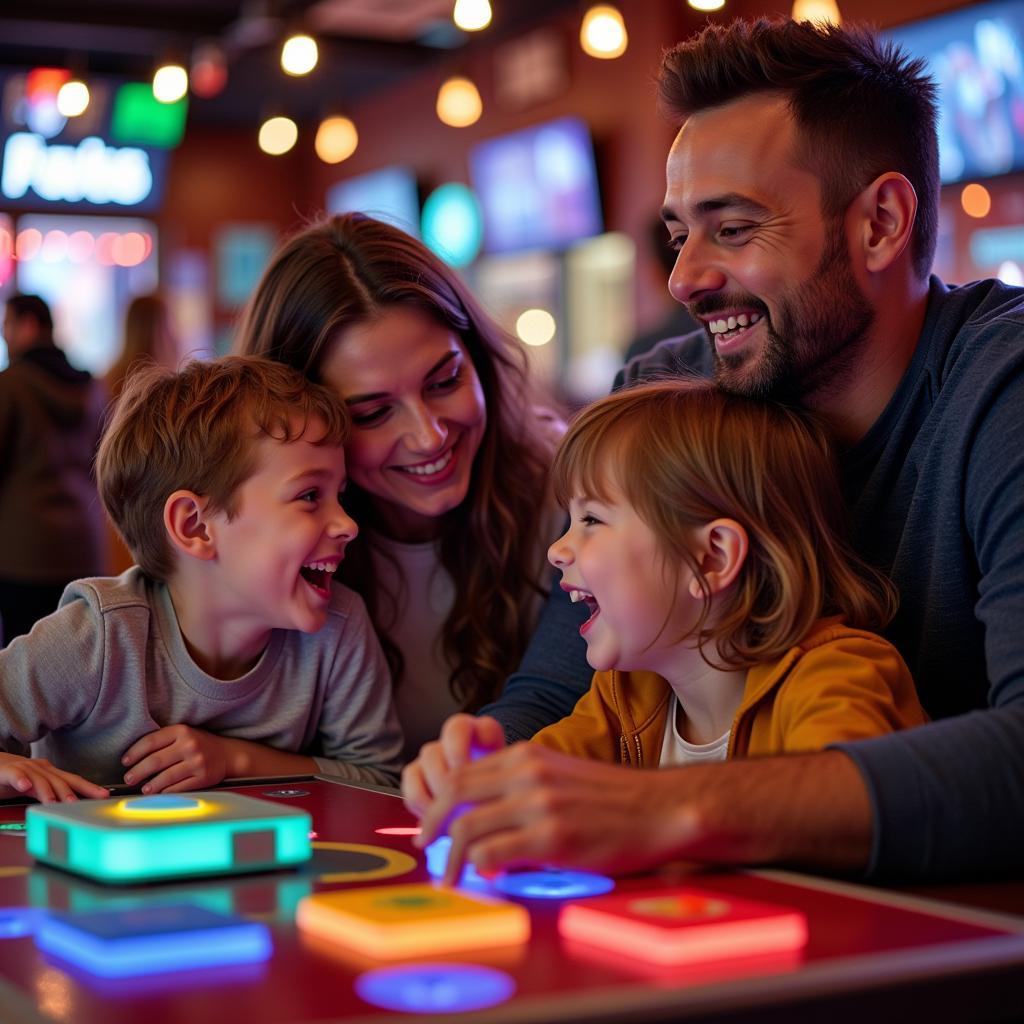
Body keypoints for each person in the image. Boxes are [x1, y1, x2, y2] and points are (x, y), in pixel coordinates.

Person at [404, 17, 1024, 883]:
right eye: (678, 233)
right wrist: (489, 769)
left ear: (880, 223)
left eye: (731, 229)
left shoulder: (1004, 386)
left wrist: (673, 809)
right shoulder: (671, 387)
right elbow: (560, 692)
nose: (683, 278)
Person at [404, 381, 928, 869]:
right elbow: (545, 785)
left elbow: (840, 824)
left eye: (591, 520)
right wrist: (479, 774)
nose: (558, 550)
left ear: (712, 559)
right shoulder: (624, 694)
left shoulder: (841, 674)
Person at [235, 213, 563, 762]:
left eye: (444, 381)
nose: (428, 435)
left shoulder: (570, 491)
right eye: (373, 412)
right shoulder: (256, 543)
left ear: (477, 358)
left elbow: (566, 703)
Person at [0, 356, 402, 801]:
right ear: (194, 526)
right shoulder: (99, 638)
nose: (348, 524)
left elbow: (379, 784)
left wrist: (234, 760)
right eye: (309, 496)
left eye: (339, 496)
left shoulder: (338, 628)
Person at [0, 293, 107, 645]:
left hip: (24, 554)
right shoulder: (90, 388)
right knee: (81, 663)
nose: (4, 335)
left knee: (24, 671)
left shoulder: (11, 385)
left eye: (8, 326)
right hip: (86, 547)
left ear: (29, 325)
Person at [105, 292, 182, 574]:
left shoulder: (106, 380)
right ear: (159, 330)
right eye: (170, 326)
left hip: (111, 513)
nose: (177, 334)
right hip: (152, 513)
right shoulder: (166, 393)